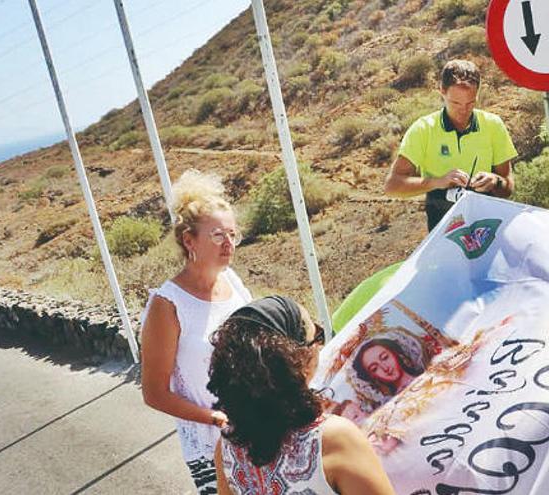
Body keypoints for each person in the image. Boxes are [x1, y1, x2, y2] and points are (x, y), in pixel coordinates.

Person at [207, 296, 395, 495]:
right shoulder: (334, 439)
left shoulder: (227, 447)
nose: (321, 346)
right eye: (318, 336)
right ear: (298, 359)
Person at [140, 169, 252, 494]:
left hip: (257, 426)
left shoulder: (233, 282)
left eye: (233, 234)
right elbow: (154, 393)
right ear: (189, 240)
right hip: (210, 442)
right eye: (218, 235)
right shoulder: (167, 305)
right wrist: (214, 418)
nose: (229, 243)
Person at [384, 59, 518, 231]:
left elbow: (508, 187)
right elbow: (392, 186)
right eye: (455, 103)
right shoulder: (423, 129)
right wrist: (437, 182)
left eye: (470, 103)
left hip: (489, 228)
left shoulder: (493, 125)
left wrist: (496, 181)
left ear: (478, 93)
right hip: (444, 233)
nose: (463, 110)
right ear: (442, 91)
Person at [353, 337, 424, 397]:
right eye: (374, 368)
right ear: (373, 376)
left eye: (385, 357)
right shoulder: (393, 402)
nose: (385, 368)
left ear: (394, 353)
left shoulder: (425, 372)